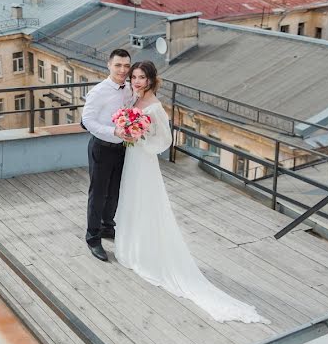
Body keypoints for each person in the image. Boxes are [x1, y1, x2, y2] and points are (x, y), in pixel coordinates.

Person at [114, 60, 267, 323]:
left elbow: (165, 140)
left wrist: (140, 137)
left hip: (144, 160)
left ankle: (149, 255)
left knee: (146, 204)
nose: (136, 81)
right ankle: (132, 249)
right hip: (132, 158)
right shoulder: (133, 102)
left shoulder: (155, 107)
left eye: (141, 78)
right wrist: (127, 131)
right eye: (134, 77)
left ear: (150, 80)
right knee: (130, 202)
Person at [80, 49, 134, 262]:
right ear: (109, 65)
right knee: (98, 194)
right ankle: (93, 238)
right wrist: (113, 131)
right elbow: (88, 121)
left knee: (114, 192)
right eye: (118, 65)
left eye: (126, 66)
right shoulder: (98, 92)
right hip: (101, 147)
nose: (122, 70)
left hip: (122, 148)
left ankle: (107, 226)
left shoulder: (130, 89)